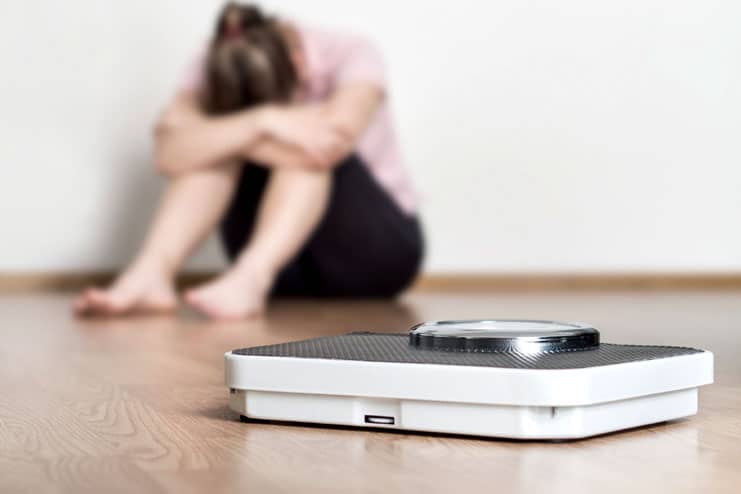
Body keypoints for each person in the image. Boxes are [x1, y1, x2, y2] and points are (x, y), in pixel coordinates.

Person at [74, 2, 423, 320]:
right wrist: (263, 122)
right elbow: (168, 154)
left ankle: (251, 277)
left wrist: (233, 134)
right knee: (211, 149)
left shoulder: (350, 51)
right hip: (287, 272)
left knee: (301, 150)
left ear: (298, 64)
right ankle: (152, 273)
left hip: (374, 255)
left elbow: (327, 143)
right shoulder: (216, 60)